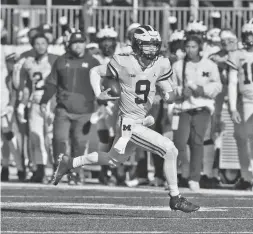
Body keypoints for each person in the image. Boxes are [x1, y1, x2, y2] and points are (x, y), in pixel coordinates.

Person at [52, 25, 200, 213]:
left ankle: (70, 163)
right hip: (128, 123)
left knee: (113, 160)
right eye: (147, 45)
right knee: (170, 150)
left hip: (140, 120)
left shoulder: (161, 63)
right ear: (137, 45)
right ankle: (175, 197)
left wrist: (172, 94)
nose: (152, 49)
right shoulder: (123, 62)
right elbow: (95, 72)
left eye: (155, 45)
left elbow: (166, 91)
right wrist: (99, 94)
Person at [40, 31, 100, 185]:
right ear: (69, 44)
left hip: (85, 110)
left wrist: (103, 105)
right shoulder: (61, 61)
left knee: (79, 144)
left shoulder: (93, 63)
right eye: (75, 42)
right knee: (59, 140)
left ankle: (75, 173)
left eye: (81, 42)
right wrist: (44, 100)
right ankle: (58, 170)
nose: (78, 45)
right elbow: (52, 83)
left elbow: (101, 86)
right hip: (63, 109)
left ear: (85, 44)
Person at [172, 35, 222, 191]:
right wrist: (181, 92)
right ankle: (183, 172)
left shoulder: (209, 65)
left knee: (197, 141)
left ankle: (194, 178)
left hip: (203, 107)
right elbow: (171, 86)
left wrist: (203, 90)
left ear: (199, 47)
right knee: (179, 142)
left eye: (193, 46)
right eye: (187, 46)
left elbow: (217, 85)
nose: (190, 50)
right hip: (184, 107)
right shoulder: (179, 65)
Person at [17, 33, 58, 182]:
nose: (40, 46)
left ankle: (56, 169)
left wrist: (55, 103)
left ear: (48, 44)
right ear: (33, 46)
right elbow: (27, 86)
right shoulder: (29, 62)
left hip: (50, 103)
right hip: (35, 103)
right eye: (37, 43)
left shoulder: (55, 60)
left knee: (51, 138)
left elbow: (60, 83)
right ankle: (39, 170)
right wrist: (22, 104)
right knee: (36, 137)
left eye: (43, 43)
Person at [227, 19, 253, 190]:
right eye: (248, 35)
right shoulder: (237, 54)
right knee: (242, 138)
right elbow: (232, 82)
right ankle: (246, 176)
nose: (250, 38)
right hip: (245, 101)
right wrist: (232, 107)